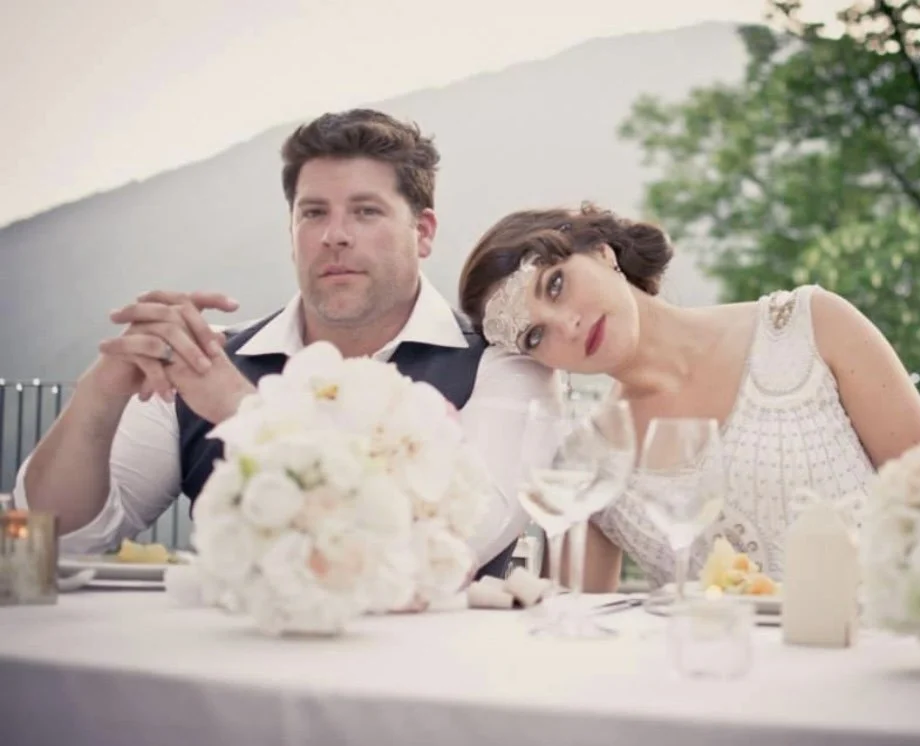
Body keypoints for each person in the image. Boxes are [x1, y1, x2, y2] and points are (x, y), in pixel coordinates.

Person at [15, 109, 557, 580]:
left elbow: (456, 543)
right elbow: (55, 541)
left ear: (423, 232)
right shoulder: (207, 361)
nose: (333, 235)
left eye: (366, 211)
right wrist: (100, 396)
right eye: (313, 212)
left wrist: (243, 411)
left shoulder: (502, 367)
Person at [458, 202, 920, 590]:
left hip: (892, 664)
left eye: (556, 285)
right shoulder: (591, 461)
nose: (566, 325)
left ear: (602, 251)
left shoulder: (811, 326)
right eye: (535, 336)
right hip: (727, 692)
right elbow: (578, 629)